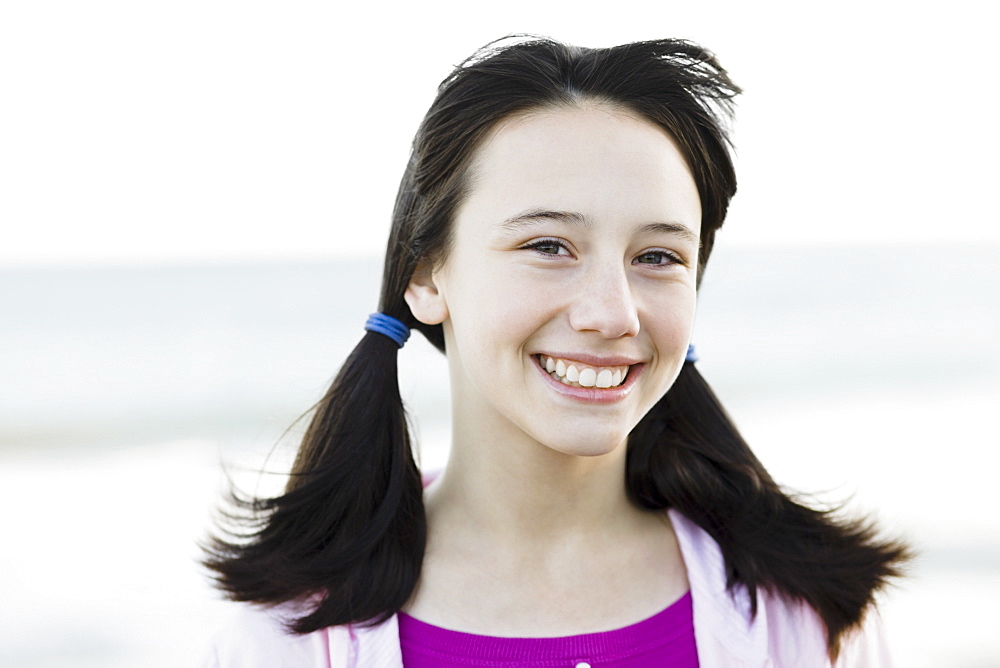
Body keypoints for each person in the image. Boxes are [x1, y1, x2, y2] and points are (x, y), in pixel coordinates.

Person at [201, 36, 909, 667]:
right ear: (424, 276)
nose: (613, 313)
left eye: (658, 256)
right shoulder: (280, 634)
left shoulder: (814, 617)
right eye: (548, 246)